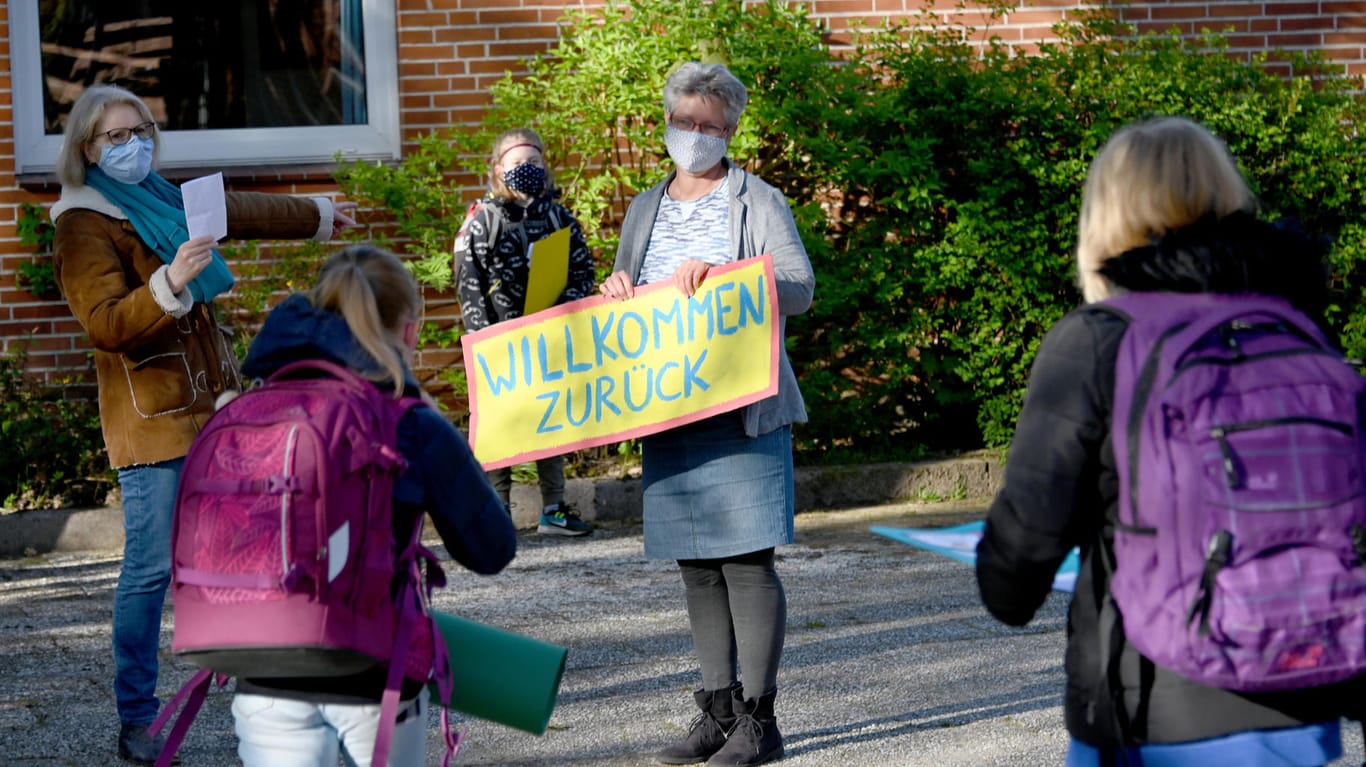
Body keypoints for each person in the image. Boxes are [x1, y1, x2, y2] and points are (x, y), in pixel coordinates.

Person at [975, 115, 1366, 766]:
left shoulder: (1100, 339)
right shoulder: (1299, 327)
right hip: (1305, 697)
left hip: (1157, 709)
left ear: (1108, 218)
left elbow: (1015, 577)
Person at [49, 84, 357, 765]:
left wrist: (318, 213)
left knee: (251, 551)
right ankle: (137, 717)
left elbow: (236, 210)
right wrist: (170, 282)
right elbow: (105, 324)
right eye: (112, 137)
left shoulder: (159, 196)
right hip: (153, 423)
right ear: (86, 149)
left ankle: (281, 688)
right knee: (150, 569)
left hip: (217, 409)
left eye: (139, 131)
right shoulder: (82, 223)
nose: (129, 146)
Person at [598, 61, 815, 766]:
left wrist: (727, 279)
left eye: (709, 126)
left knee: (747, 561)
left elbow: (799, 287)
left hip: (740, 405)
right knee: (696, 567)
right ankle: (717, 710)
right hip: (667, 409)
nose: (694, 135)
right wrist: (617, 289)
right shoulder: (642, 207)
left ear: (730, 130)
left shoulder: (758, 201)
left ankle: (761, 719)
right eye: (684, 121)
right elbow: (627, 299)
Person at [228, 243, 518, 766]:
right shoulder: (409, 423)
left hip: (263, 663)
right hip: (372, 669)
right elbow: (491, 549)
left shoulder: (256, 407)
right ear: (408, 331)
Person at [454, 127, 596, 537]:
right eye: (517, 163)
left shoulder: (557, 216)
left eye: (534, 162)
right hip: (497, 341)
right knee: (500, 424)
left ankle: (553, 508)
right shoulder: (482, 221)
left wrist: (564, 307)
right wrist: (483, 340)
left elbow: (583, 269)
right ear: (498, 170)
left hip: (548, 336)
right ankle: (497, 511)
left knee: (551, 417)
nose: (527, 169)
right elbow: (469, 283)